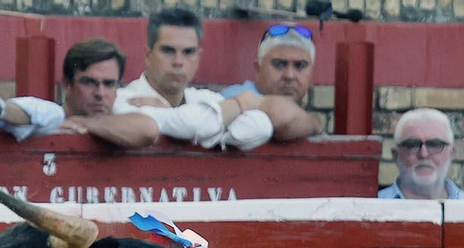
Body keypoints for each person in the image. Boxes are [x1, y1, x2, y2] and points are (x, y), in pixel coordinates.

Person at [69, 9, 317, 149]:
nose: (178, 62)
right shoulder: (125, 99)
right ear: (148, 54)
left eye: (187, 52)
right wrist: (238, 107)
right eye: (168, 51)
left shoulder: (204, 99)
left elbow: (256, 128)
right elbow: (199, 126)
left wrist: (178, 117)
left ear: (198, 57)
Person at [379, 108, 464, 200]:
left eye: (434, 145)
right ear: (396, 155)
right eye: (413, 145)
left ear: (451, 153)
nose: (423, 154)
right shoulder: (372, 208)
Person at [221, 23, 316, 107]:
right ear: (258, 68)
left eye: (299, 66)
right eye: (279, 65)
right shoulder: (234, 100)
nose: (289, 75)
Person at [60, 38, 125, 119]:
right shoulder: (45, 127)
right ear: (66, 84)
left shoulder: (128, 124)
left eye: (109, 84)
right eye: (89, 83)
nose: (100, 93)